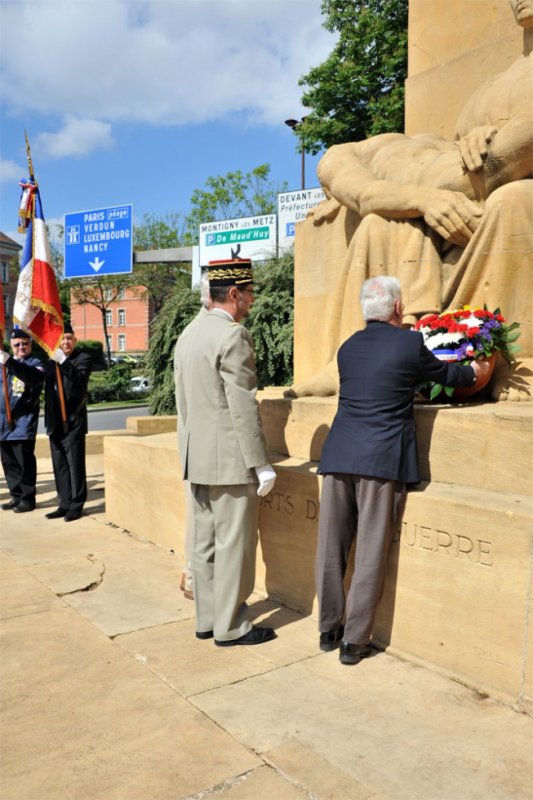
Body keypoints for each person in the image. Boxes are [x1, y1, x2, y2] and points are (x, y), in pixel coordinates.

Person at [289, 0, 533, 399]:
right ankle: (361, 361)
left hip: (497, 194)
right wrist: (424, 199)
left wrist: (488, 143)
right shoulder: (402, 145)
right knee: (380, 222)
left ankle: (512, 360)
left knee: (515, 200)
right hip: (448, 190)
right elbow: (337, 166)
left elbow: (500, 158)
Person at [315, 276, 490, 665]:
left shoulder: (348, 347)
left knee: (330, 548)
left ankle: (328, 629)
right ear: (397, 308)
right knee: (370, 553)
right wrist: (475, 371)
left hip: (339, 456)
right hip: (380, 461)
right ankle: (355, 641)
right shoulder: (410, 343)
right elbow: (446, 376)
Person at [174, 257, 277, 646]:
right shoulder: (233, 335)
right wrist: (261, 464)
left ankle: (208, 619)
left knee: (204, 546)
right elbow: (243, 405)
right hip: (230, 462)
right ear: (233, 294)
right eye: (249, 293)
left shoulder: (189, 333)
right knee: (234, 545)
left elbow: (185, 405)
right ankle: (232, 626)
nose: (251, 301)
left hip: (195, 457)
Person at [173, 269, 212, 602]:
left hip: (190, 443)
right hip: (209, 449)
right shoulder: (223, 334)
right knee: (207, 527)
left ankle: (191, 576)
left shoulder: (187, 333)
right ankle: (198, 581)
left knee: (197, 521)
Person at [44, 323, 92, 522]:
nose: (65, 342)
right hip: (55, 421)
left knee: (75, 464)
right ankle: (64, 503)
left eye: (69, 338)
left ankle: (76, 504)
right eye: (62, 338)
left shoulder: (83, 359)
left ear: (75, 340)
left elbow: (79, 380)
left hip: (73, 420)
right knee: (60, 465)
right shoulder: (50, 362)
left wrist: (63, 361)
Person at [0, 329, 45, 513]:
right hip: (3, 423)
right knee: (9, 464)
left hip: (22, 422)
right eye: (17, 344)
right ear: (11, 346)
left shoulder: (36, 364)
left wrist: (9, 361)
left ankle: (27, 499)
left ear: (30, 345)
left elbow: (33, 378)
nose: (21, 347)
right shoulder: (3, 365)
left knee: (23, 462)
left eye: (24, 343)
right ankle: (16, 495)